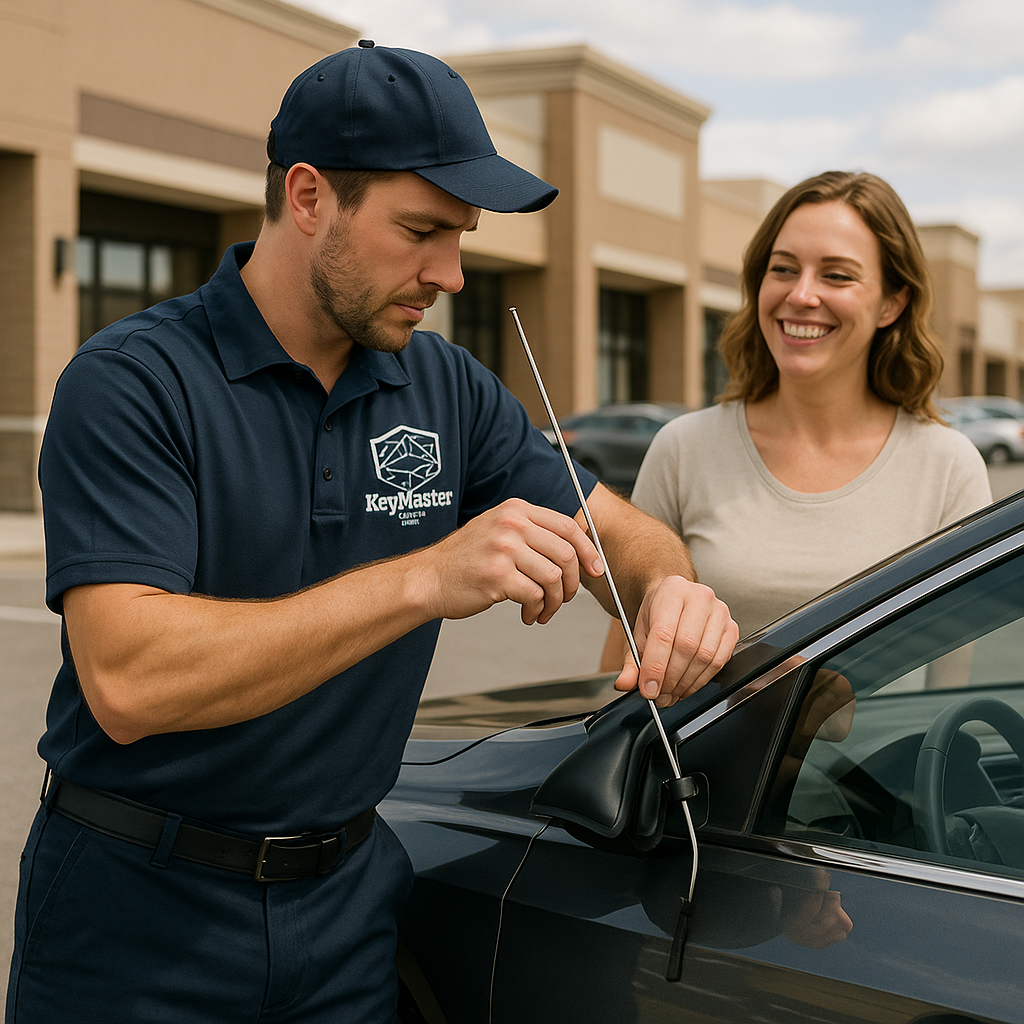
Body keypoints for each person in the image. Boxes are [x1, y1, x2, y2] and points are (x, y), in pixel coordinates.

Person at [8, 42, 736, 1023]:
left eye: (463, 235)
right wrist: (421, 579)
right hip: (134, 911)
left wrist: (669, 590)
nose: (451, 270)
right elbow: (131, 681)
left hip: (345, 910)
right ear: (308, 197)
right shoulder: (134, 381)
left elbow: (628, 542)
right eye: (422, 230)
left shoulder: (448, 390)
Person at [601, 169, 991, 672]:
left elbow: (947, 687)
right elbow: (625, 662)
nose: (802, 295)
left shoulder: (948, 467)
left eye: (837, 275)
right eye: (783, 269)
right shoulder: (683, 449)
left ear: (892, 303)